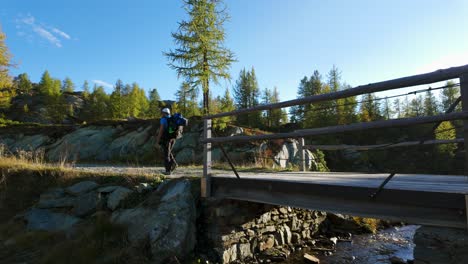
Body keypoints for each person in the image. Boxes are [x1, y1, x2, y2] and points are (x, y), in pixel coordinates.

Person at [155, 108, 178, 175]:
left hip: (166, 139)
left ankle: (168, 171)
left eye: (162, 112)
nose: (161, 113)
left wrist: (157, 141)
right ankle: (174, 164)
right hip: (173, 138)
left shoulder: (163, 119)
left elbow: (161, 131)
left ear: (164, 113)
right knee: (168, 152)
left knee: (166, 154)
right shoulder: (172, 118)